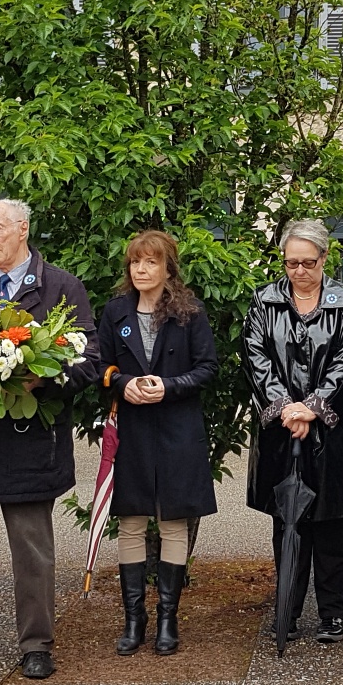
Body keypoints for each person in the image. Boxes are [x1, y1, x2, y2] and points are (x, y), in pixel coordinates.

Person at [0, 200, 101, 681]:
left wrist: (42, 380)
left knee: (32, 551)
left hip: (31, 439)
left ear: (23, 228)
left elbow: (89, 358)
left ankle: (36, 643)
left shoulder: (61, 287)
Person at [97, 231, 218, 656]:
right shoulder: (115, 311)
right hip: (131, 429)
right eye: (135, 263)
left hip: (177, 428)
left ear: (168, 267)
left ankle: (168, 618)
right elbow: (100, 365)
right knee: (130, 520)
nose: (142, 270)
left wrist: (168, 385)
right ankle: (135, 619)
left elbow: (207, 369)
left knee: (172, 521)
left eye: (151, 262)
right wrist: (123, 382)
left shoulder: (189, 312)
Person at [245, 220, 343, 644]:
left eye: (307, 263)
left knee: (334, 523)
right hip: (282, 429)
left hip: (332, 430)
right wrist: (287, 408)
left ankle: (333, 613)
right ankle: (287, 611)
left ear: (325, 259)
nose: (298, 271)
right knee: (288, 520)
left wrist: (313, 406)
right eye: (291, 262)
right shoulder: (264, 301)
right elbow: (256, 356)